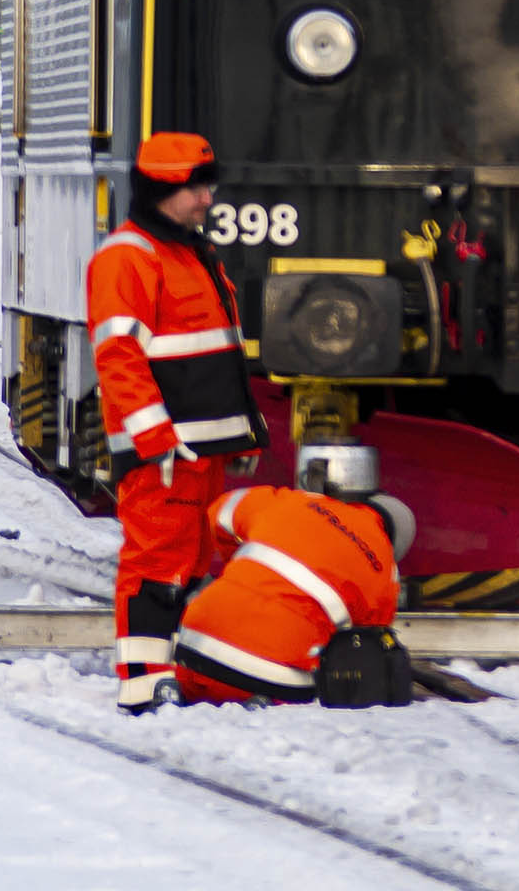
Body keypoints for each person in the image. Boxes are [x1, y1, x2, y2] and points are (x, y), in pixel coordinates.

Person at [88, 130, 267, 712]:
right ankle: (143, 681)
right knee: (155, 567)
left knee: (191, 566)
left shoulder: (190, 254)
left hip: (200, 449)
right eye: (193, 189)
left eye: (207, 186)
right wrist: (155, 441)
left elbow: (222, 353)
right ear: (160, 190)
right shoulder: (128, 259)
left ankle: (179, 672)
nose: (205, 200)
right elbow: (119, 358)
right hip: (167, 452)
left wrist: (244, 431)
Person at [166, 481, 416, 705]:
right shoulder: (385, 571)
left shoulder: (301, 501)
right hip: (271, 677)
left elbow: (219, 512)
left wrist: (237, 566)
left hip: (194, 648)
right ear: (394, 546)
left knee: (200, 683)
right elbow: (364, 649)